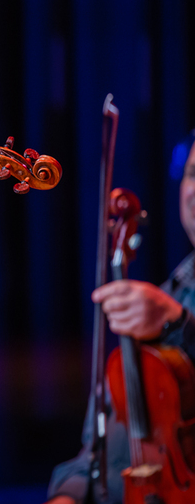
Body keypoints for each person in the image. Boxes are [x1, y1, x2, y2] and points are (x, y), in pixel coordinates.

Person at [46, 133, 195, 503]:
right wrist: (68, 495)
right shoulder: (167, 298)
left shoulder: (165, 312)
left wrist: (178, 326)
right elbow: (101, 453)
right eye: (193, 173)